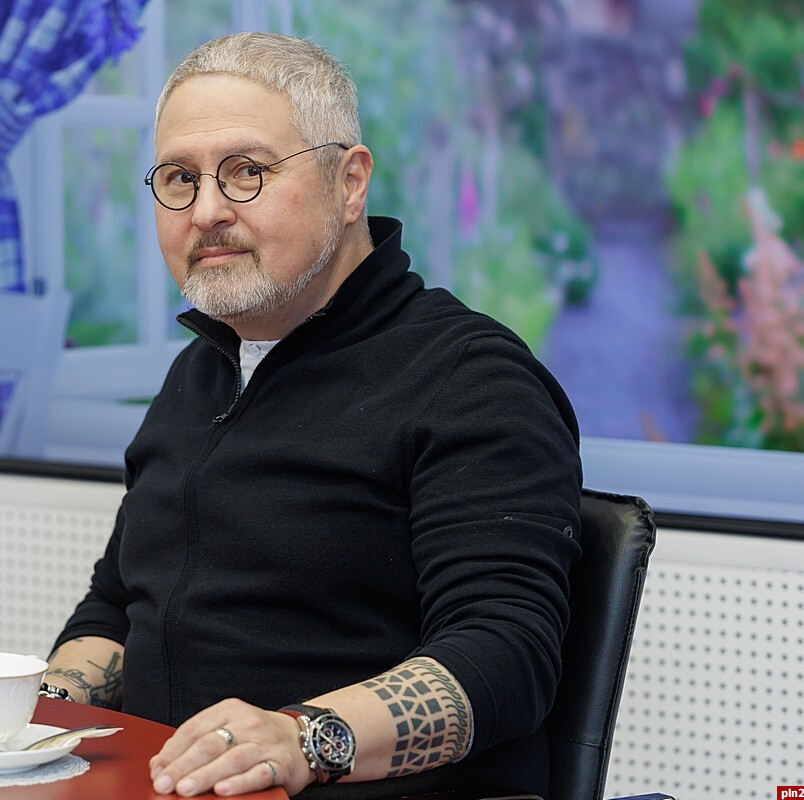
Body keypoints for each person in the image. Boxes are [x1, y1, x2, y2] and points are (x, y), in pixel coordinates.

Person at [42, 31, 582, 799]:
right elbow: (118, 605)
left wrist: (301, 739)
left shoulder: (471, 377)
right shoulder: (199, 372)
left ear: (349, 182)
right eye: (179, 179)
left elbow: (507, 657)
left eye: (247, 172)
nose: (207, 210)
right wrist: (37, 709)